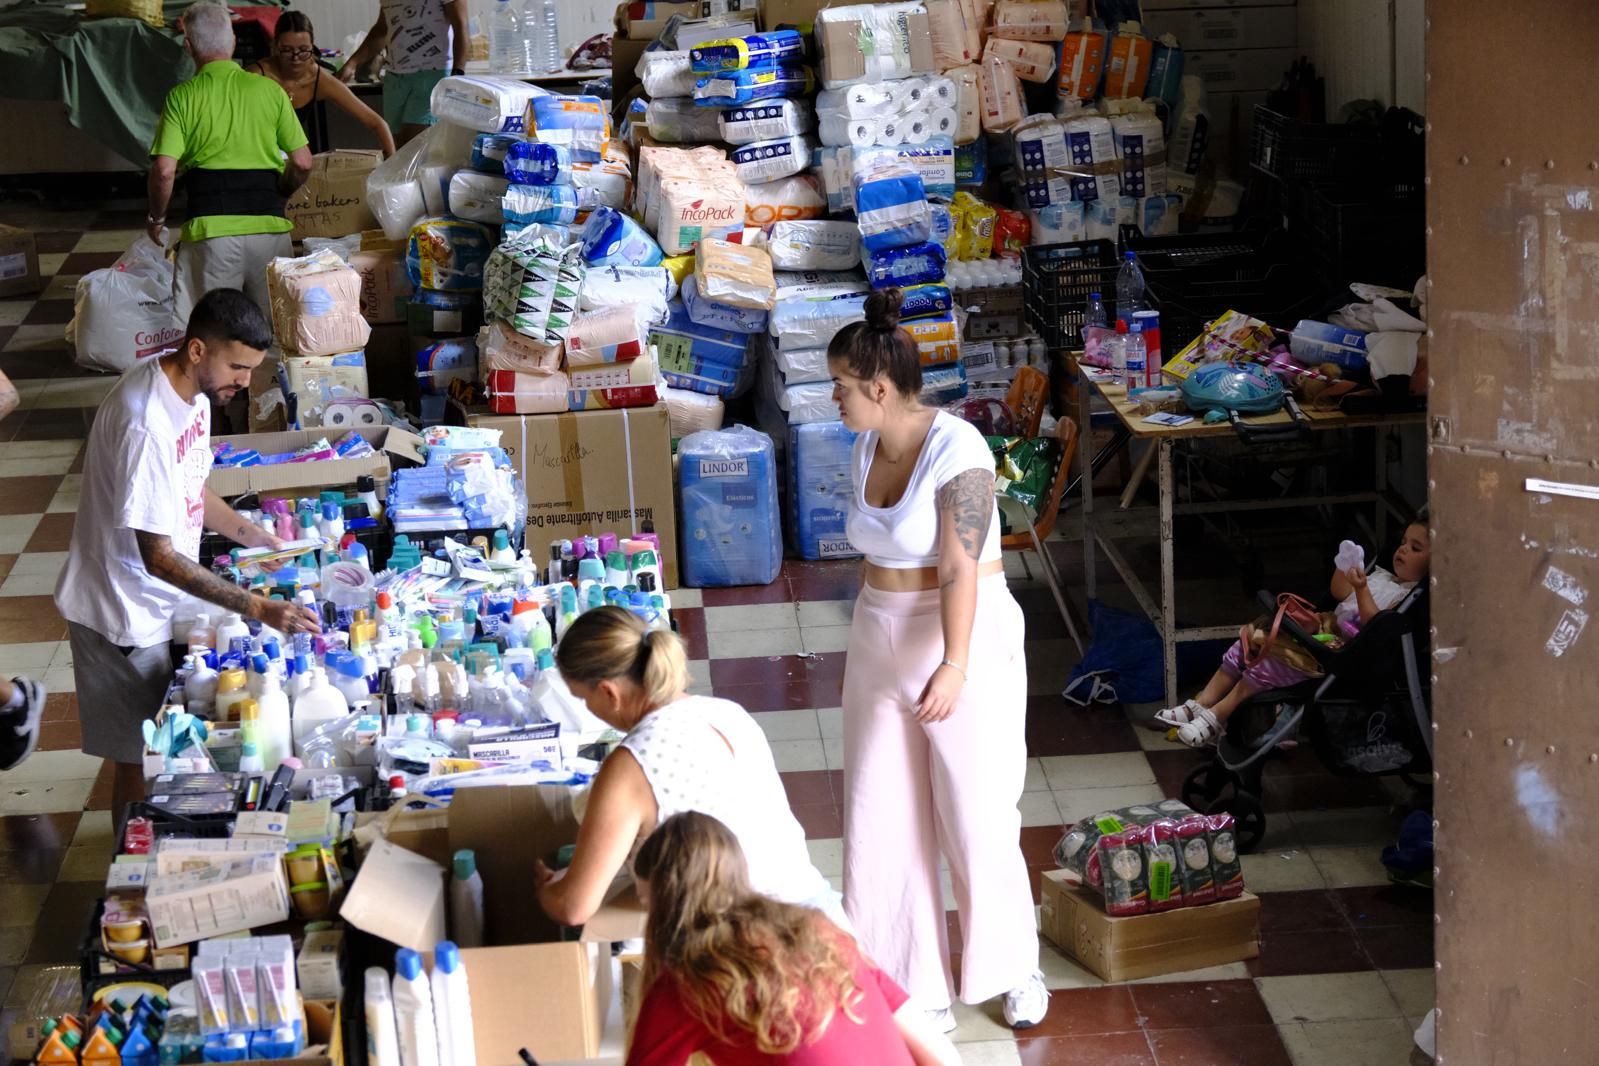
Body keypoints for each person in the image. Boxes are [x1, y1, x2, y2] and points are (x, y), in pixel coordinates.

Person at [828, 287, 1046, 1033]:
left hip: (961, 637)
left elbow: (959, 566)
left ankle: (1012, 966)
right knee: (879, 811)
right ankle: (907, 982)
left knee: (976, 809)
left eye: (841, 385)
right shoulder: (863, 445)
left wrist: (954, 664)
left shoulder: (961, 448)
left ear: (879, 389)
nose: (834, 397)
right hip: (879, 635)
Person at [54, 289, 323, 819]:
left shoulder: (194, 395)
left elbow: (189, 487)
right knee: (138, 759)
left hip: (156, 602)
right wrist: (258, 607)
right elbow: (156, 556)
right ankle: (128, 860)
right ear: (198, 350)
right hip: (120, 612)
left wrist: (252, 535)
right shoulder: (145, 422)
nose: (244, 381)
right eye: (237, 367)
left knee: (160, 751)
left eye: (251, 369)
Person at [534, 606, 838, 929]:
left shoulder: (630, 764)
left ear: (609, 692)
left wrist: (544, 887)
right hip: (822, 917)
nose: (588, 709)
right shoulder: (728, 712)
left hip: (760, 938)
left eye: (583, 699)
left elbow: (573, 907)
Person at [627, 812, 961, 1066]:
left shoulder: (686, 984)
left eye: (646, 903)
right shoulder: (817, 932)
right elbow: (937, 1051)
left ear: (666, 905)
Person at [1155, 521, 1433, 747]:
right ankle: (1200, 704)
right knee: (1249, 643)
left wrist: (1361, 590)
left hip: (1344, 649)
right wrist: (1345, 568)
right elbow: (1339, 593)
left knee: (1271, 664)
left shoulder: (1404, 597)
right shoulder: (1382, 576)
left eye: (1415, 548)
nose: (1403, 549)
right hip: (1323, 629)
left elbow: (1377, 624)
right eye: (1403, 542)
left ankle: (1217, 716)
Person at [146, 1, 314, 323]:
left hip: (211, 236)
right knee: (275, 332)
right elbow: (304, 163)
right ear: (233, 41)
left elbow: (164, 171)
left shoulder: (182, 97)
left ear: (188, 46)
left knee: (213, 332)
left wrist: (157, 218)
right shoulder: (271, 91)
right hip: (269, 230)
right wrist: (280, 192)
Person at [246, 12, 396, 158]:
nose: (296, 58)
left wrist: (393, 167)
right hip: (253, 150)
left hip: (287, 154)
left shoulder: (318, 79)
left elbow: (377, 123)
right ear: (274, 46)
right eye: (287, 50)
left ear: (312, 47)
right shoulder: (257, 75)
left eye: (303, 50)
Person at [339, 0, 470, 148]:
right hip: (395, 77)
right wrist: (352, 63)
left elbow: (461, 26)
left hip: (432, 74)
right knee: (392, 145)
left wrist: (457, 75)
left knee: (414, 145)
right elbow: (382, 30)